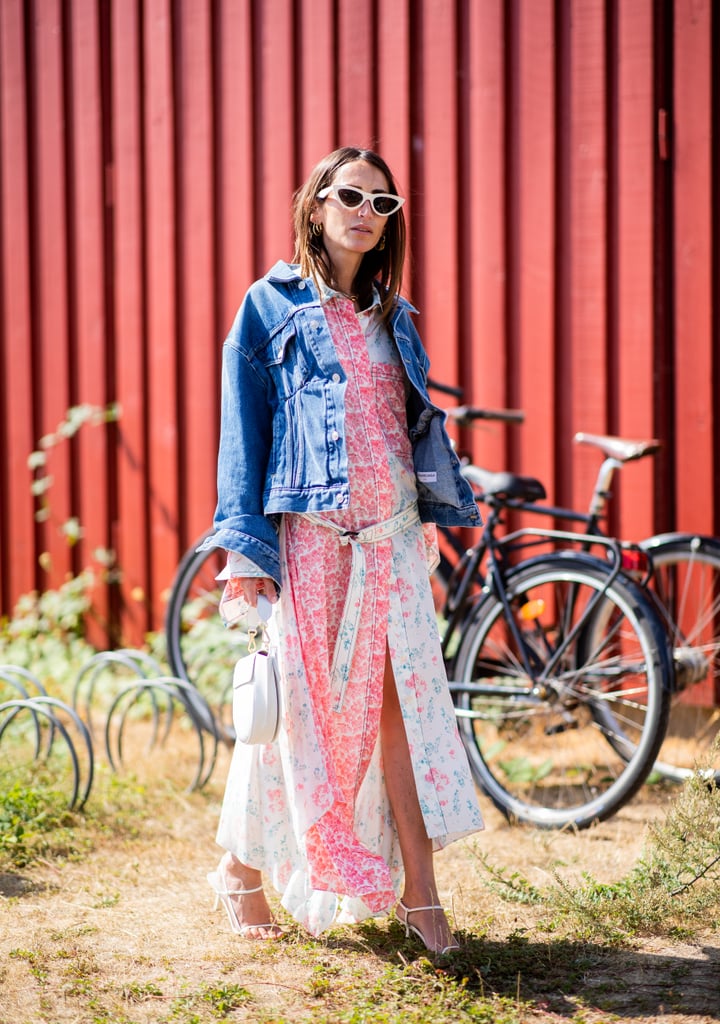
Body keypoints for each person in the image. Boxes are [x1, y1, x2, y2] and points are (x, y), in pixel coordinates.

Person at [202, 146, 484, 955]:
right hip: (315, 544)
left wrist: (430, 507)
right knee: (305, 717)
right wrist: (246, 553)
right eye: (351, 195)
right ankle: (238, 868)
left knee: (402, 710)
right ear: (317, 205)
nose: (366, 211)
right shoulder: (267, 308)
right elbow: (242, 441)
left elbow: (406, 428)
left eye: (383, 203)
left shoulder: (397, 318)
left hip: (392, 539)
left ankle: (421, 893)